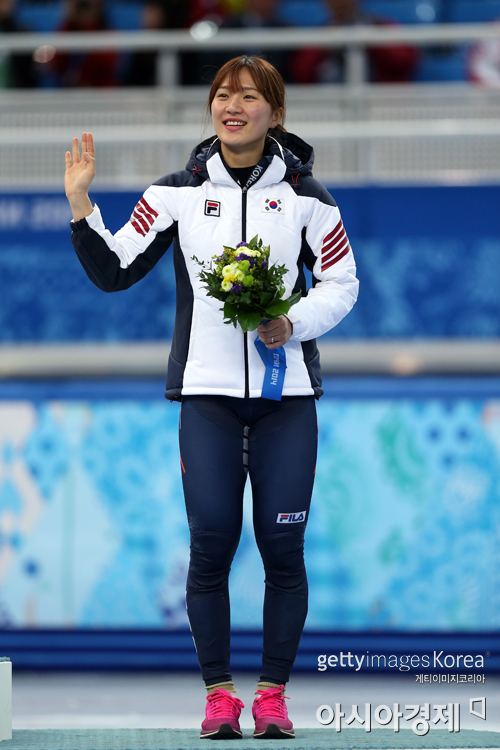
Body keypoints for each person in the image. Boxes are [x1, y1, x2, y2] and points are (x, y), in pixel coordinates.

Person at [65, 55, 358, 740]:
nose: (234, 104)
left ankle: (275, 698)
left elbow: (342, 286)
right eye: (223, 94)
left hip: (289, 403)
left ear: (275, 113)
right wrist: (82, 204)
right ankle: (221, 697)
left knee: (284, 552)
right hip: (208, 401)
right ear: (211, 108)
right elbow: (112, 272)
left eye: (250, 96)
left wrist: (294, 324)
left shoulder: (312, 195)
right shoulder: (173, 194)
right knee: (210, 548)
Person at [290, 0, 418, 84]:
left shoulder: (379, 26)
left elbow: (406, 60)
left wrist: (372, 39)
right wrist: (323, 45)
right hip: (329, 106)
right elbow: (300, 74)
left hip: (379, 104)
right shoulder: (319, 35)